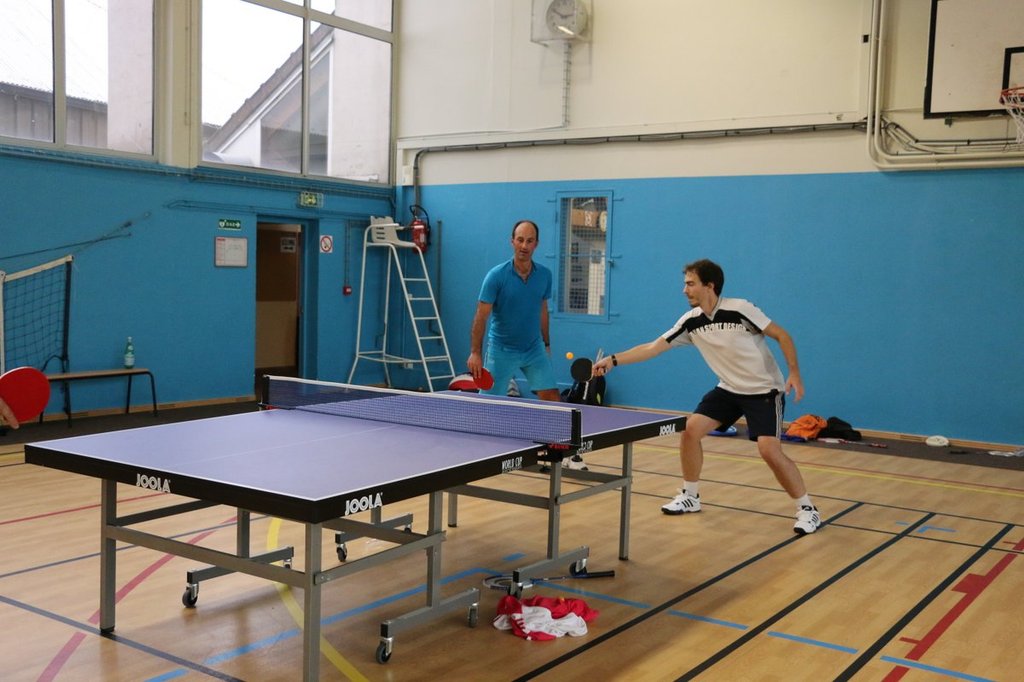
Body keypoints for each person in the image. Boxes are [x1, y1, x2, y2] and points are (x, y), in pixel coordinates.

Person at [593, 258, 821, 535]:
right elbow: (653, 347)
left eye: (690, 284)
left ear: (709, 286)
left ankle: (807, 509)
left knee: (768, 450)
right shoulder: (691, 321)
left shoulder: (740, 309)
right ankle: (690, 495)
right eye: (685, 284)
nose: (684, 290)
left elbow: (782, 335)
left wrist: (794, 373)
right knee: (691, 430)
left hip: (763, 390)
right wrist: (613, 360)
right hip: (728, 389)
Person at [467, 219, 560, 403]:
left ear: (536, 244)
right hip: (501, 349)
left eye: (529, 241)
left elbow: (542, 310)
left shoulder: (544, 275)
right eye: (520, 240)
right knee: (489, 406)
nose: (524, 246)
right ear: (512, 241)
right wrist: (475, 353)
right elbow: (481, 316)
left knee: (552, 399)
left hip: (534, 349)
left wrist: (546, 343)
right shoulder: (496, 276)